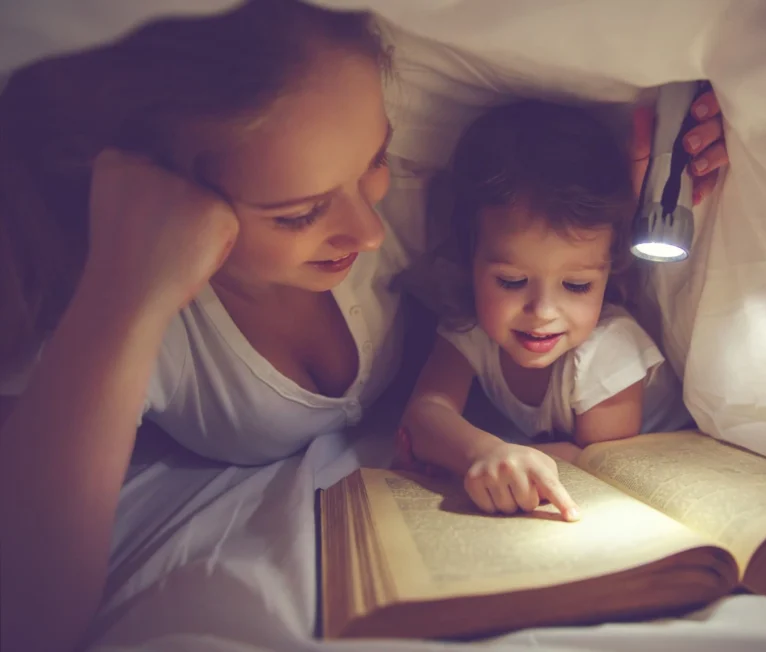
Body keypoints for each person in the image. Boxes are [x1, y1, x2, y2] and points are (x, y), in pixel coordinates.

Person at [0, 2, 404, 651]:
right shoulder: (151, 327)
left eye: (376, 159)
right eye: (300, 214)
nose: (370, 232)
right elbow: (25, 618)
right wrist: (125, 294)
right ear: (157, 192)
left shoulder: (391, 206)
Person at [396, 98, 728, 523]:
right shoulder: (470, 326)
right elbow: (425, 412)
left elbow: (595, 461)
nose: (542, 311)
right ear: (469, 259)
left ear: (610, 272)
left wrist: (454, 454)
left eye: (577, 285)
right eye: (512, 282)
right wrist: (483, 452)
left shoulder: (608, 351)